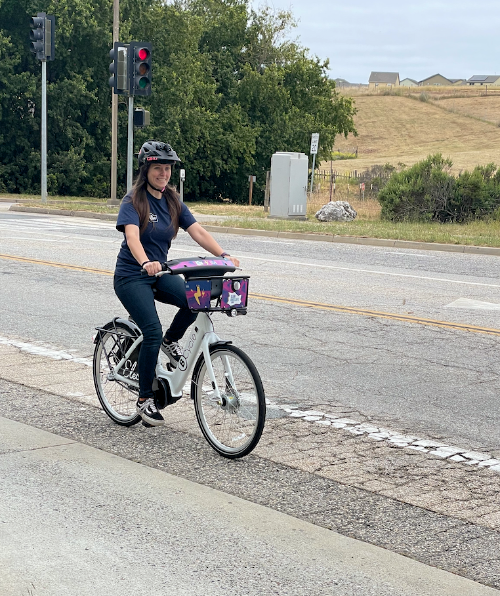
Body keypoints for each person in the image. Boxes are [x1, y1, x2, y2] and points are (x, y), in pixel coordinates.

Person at [114, 140, 239, 427]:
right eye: (158, 168)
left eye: (167, 168)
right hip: (132, 276)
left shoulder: (172, 200)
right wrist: (146, 262)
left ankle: (172, 341)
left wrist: (223, 254)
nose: (164, 174)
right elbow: (132, 237)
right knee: (151, 331)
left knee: (197, 299)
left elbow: (197, 230)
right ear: (146, 169)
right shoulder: (133, 201)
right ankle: (145, 399)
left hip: (160, 274)